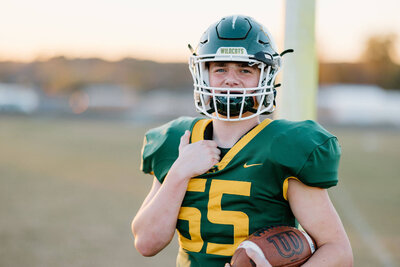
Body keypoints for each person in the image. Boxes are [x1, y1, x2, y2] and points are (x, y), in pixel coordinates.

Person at [131, 14, 353, 267]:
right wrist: (180, 171)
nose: (231, 79)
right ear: (203, 74)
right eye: (220, 69)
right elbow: (146, 243)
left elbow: (338, 251)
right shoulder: (178, 141)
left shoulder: (282, 147)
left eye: (245, 70)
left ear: (266, 77)